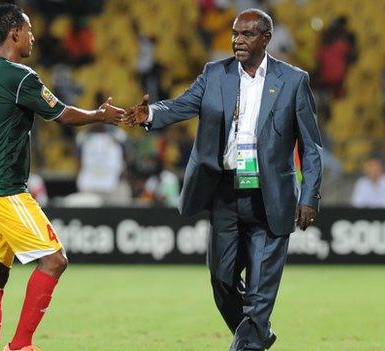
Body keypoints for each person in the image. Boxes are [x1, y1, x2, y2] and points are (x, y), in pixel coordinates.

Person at [125, 9, 322, 351]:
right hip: (225, 193)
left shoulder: (293, 80)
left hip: (270, 196)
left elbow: (311, 145)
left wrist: (310, 196)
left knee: (260, 290)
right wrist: (150, 114)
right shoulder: (216, 73)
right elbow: (183, 105)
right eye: (235, 33)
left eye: (246, 34)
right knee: (221, 279)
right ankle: (257, 333)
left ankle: (248, 340)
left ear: (266, 38)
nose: (237, 40)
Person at [0, 4, 123, 351]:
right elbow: (61, 115)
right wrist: (99, 115)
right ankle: (20, 345)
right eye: (29, 30)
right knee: (54, 260)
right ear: (14, 33)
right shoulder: (19, 76)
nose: (33, 36)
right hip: (4, 187)